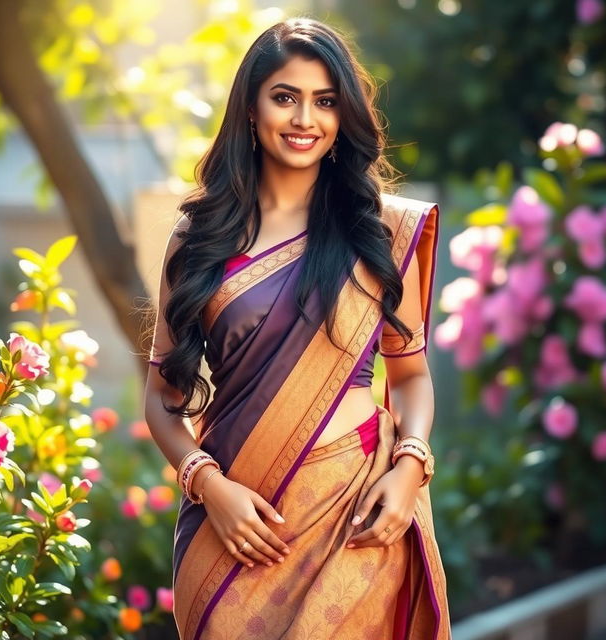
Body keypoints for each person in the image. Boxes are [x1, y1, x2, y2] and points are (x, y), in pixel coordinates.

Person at [143, 16, 451, 640]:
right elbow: (161, 397)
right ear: (251, 110)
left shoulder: (380, 232)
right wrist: (209, 488)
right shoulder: (199, 237)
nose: (304, 118)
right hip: (236, 525)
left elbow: (412, 375)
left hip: (355, 515)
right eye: (285, 97)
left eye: (325, 101)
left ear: (343, 118)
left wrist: (411, 466)